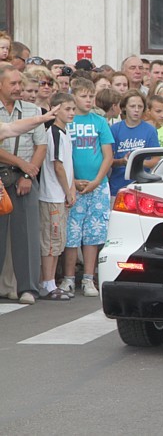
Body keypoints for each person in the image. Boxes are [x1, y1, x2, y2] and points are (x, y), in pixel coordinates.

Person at [0, 64, 51, 305]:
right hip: (2, 175)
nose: (19, 88)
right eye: (13, 84)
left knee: (28, 233)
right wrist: (22, 163)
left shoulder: (31, 109)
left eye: (20, 83)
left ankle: (28, 288)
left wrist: (29, 175)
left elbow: (41, 145)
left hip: (26, 175)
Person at [62, 77, 114, 297]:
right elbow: (61, 157)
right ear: (73, 96)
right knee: (71, 234)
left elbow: (108, 155)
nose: (88, 100)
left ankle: (88, 278)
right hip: (73, 185)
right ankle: (68, 278)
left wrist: (97, 180)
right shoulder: (67, 122)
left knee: (92, 235)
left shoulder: (99, 121)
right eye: (83, 96)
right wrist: (72, 181)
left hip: (98, 186)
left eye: (91, 96)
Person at [38, 93, 76, 300]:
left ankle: (51, 281)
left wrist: (71, 189)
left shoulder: (64, 132)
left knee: (57, 239)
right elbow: (58, 165)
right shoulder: (53, 132)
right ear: (55, 109)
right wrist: (68, 190)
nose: (71, 113)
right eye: (66, 109)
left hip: (60, 194)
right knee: (50, 240)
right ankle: (47, 283)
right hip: (52, 193)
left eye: (73, 109)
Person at [109, 90, 160, 198]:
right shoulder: (114, 129)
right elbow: (108, 160)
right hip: (118, 187)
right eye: (132, 106)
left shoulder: (150, 130)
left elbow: (155, 160)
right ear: (124, 108)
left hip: (142, 187)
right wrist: (122, 161)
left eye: (140, 106)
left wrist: (135, 161)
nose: (136, 110)